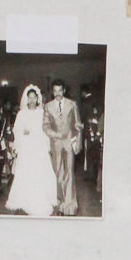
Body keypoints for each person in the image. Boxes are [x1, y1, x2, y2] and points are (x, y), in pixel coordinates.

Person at [4, 85, 58, 216]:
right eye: (30, 98)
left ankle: (42, 198)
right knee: (26, 171)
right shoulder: (21, 114)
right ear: (26, 99)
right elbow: (16, 129)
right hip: (27, 146)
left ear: (38, 99)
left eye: (34, 98)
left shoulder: (41, 113)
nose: (32, 100)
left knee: (40, 170)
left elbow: (46, 129)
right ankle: (24, 198)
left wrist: (46, 144)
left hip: (39, 146)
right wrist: (23, 131)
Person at [43, 81, 82, 216]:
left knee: (69, 173)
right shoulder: (48, 106)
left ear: (64, 90)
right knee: (58, 174)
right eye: (55, 91)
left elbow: (78, 125)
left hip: (69, 143)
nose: (58, 93)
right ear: (52, 92)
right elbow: (45, 126)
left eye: (60, 90)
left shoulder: (72, 104)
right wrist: (55, 134)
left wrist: (77, 143)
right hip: (56, 144)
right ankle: (60, 204)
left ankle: (70, 206)